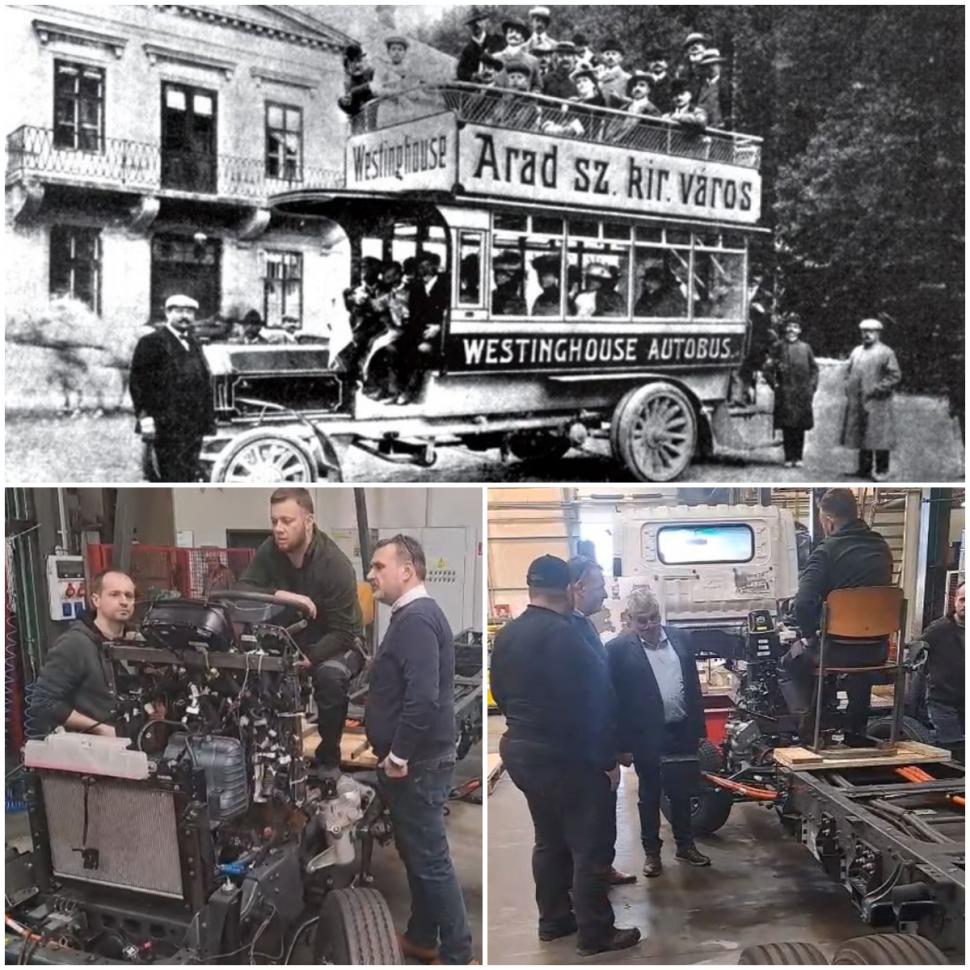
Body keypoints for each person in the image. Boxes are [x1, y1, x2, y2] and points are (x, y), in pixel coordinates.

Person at [491, 556, 641, 957]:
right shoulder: (569, 636)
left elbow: (501, 694)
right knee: (590, 846)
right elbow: (595, 705)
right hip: (569, 757)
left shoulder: (508, 635)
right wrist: (607, 761)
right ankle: (595, 933)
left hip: (523, 752)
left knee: (549, 840)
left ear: (530, 586)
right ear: (568, 587)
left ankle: (554, 920)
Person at [364, 535, 474, 966]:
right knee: (418, 855)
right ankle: (422, 938)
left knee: (431, 862)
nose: (371, 575)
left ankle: (459, 952)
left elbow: (423, 697)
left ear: (406, 570)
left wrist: (398, 756)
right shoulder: (412, 617)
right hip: (419, 762)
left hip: (418, 765)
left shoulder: (416, 620)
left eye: (378, 566)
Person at [237, 488, 364, 780]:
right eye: (274, 521)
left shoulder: (335, 565)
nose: (279, 529)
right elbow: (244, 590)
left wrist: (308, 658)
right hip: (292, 636)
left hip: (338, 641)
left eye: (287, 521)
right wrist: (281, 595)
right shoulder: (270, 551)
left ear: (308, 521)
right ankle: (268, 751)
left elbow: (344, 631)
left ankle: (329, 757)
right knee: (253, 673)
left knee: (329, 677)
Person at [607, 587, 711, 876]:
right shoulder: (616, 651)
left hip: (681, 730)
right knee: (650, 795)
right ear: (629, 619)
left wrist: (699, 728)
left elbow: (693, 688)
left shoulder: (682, 640)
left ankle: (685, 846)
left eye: (654, 618)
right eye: (642, 621)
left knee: (682, 791)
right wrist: (621, 745)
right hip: (645, 736)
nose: (650, 625)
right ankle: (652, 853)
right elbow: (614, 701)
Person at [790, 488, 894, 745]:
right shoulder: (881, 546)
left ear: (828, 519)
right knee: (858, 667)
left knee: (791, 660)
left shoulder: (826, 551)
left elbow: (802, 603)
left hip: (835, 651)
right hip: (876, 650)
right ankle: (855, 733)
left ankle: (809, 730)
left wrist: (807, 635)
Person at [567, 556, 637, 888]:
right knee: (589, 824)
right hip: (586, 752)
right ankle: (592, 893)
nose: (606, 595)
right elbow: (588, 700)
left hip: (599, 745)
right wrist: (605, 757)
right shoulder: (568, 629)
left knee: (604, 815)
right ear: (578, 587)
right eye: (600, 587)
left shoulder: (583, 624)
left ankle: (602, 867)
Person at [28, 570, 139, 739]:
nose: (124, 601)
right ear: (96, 600)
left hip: (136, 746)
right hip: (93, 751)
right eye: (114, 595)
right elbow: (43, 702)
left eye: (129, 596)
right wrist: (100, 729)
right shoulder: (75, 644)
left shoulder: (138, 642)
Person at [129, 293, 215, 483]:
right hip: (166, 424)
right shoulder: (151, 342)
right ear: (168, 313)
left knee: (188, 474)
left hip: (193, 425)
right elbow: (138, 382)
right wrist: (145, 417)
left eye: (190, 312)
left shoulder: (194, 343)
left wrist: (208, 420)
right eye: (179, 311)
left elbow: (203, 379)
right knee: (168, 476)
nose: (185, 316)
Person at [840, 318, 902, 482]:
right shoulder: (857, 351)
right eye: (864, 331)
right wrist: (849, 386)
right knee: (862, 433)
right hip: (859, 399)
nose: (867, 335)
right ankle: (864, 468)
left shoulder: (886, 352)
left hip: (878, 401)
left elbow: (894, 375)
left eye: (871, 331)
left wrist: (877, 389)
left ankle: (882, 470)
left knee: (879, 436)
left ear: (878, 334)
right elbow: (848, 370)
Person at [764, 313, 819, 468]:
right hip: (785, 392)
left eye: (795, 327)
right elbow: (767, 369)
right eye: (789, 327)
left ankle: (798, 457)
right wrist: (774, 385)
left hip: (802, 393)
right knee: (788, 426)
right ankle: (788, 457)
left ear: (799, 330)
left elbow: (814, 369)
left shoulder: (806, 348)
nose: (791, 330)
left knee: (800, 426)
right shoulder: (778, 347)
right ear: (785, 329)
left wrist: (812, 386)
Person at [918, 583, 965, 751]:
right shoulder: (938, 629)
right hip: (943, 702)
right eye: (962, 600)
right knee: (953, 751)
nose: (965, 605)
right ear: (955, 602)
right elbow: (915, 655)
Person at [398, 251, 449, 404]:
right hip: (420, 332)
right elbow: (414, 315)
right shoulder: (417, 287)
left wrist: (439, 328)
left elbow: (451, 312)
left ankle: (409, 391)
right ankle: (395, 389)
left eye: (426, 265)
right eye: (420, 266)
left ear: (435, 266)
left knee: (420, 350)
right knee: (397, 347)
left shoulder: (446, 285)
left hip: (442, 335)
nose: (422, 269)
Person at [456, 9, 504, 83]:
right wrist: (473, 75)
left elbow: (505, 62)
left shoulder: (497, 40)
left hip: (497, 84)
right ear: (469, 27)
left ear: (484, 22)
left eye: (478, 21)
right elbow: (460, 71)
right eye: (472, 23)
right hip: (476, 87)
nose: (476, 25)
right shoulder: (467, 50)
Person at [496, 20, 540, 90]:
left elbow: (537, 86)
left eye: (518, 32)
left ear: (523, 38)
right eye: (510, 32)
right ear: (506, 35)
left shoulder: (532, 61)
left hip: (523, 100)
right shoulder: (495, 58)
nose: (513, 35)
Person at [696, 48, 730, 129]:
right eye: (708, 65)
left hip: (718, 130)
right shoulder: (699, 86)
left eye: (714, 64)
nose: (711, 68)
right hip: (701, 127)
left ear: (720, 66)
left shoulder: (726, 86)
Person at [337, 43, 374, 117]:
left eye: (359, 60)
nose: (357, 65)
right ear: (347, 68)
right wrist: (343, 103)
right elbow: (353, 109)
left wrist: (354, 91)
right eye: (352, 62)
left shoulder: (371, 73)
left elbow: (374, 86)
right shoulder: (349, 83)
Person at [491, 250, 527, 316]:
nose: (497, 277)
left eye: (502, 273)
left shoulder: (517, 303)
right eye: (496, 272)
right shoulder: (491, 297)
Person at [677, 31, 710, 101]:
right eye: (690, 44)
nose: (694, 46)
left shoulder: (711, 70)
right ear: (687, 51)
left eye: (698, 43)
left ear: (704, 48)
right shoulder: (682, 74)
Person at [597, 40, 631, 105]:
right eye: (607, 54)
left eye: (613, 54)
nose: (610, 57)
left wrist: (620, 98)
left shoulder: (626, 77)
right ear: (603, 58)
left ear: (621, 58)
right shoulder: (599, 76)